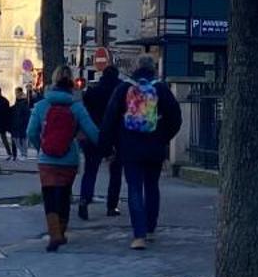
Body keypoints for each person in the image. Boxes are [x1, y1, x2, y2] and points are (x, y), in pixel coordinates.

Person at [101, 55, 183, 249]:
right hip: (154, 148)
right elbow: (176, 118)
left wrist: (108, 147)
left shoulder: (123, 89)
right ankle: (151, 228)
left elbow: (109, 119)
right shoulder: (161, 89)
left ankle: (139, 235)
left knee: (135, 189)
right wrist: (163, 138)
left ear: (134, 68)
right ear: (153, 68)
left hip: (129, 148)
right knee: (152, 186)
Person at [27, 64, 99, 251]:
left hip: (46, 159)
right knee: (64, 194)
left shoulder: (42, 105)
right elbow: (92, 132)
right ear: (72, 82)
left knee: (49, 195)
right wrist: (107, 147)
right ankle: (62, 230)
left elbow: (31, 132)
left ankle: (54, 235)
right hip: (69, 158)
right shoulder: (76, 107)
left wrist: (41, 147)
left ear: (53, 80)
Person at [76, 61, 125, 220]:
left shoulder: (92, 91)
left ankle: (84, 199)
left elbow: (85, 112)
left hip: (94, 134)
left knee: (91, 170)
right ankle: (112, 206)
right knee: (115, 172)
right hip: (116, 136)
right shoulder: (122, 90)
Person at [0, 85, 19, 160]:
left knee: (6, 138)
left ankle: (12, 153)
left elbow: (4, 112)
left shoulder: (3, 101)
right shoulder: (2, 100)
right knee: (4, 138)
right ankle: (10, 153)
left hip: (4, 121)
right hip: (2, 122)